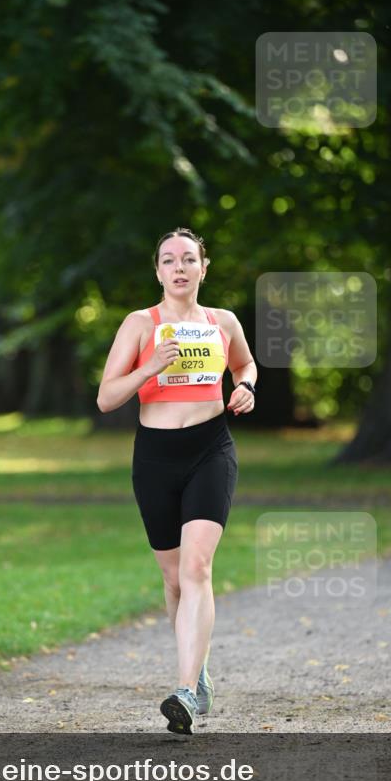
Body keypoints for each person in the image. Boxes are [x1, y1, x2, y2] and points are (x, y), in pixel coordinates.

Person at [96, 227, 257, 735]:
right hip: (156, 458)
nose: (180, 268)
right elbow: (106, 398)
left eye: (189, 259)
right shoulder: (140, 325)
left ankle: (185, 691)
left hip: (211, 449)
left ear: (204, 268)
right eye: (169, 260)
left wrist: (246, 386)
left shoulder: (222, 322)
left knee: (197, 568)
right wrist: (149, 369)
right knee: (173, 580)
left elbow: (245, 363)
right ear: (159, 271)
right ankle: (200, 670)